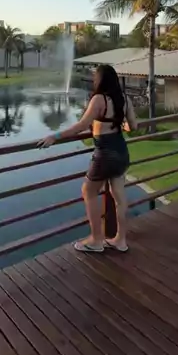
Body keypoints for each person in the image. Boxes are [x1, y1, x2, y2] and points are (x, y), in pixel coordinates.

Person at [39, 64, 137, 252]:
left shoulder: (99, 99)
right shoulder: (124, 99)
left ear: (99, 80)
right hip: (121, 151)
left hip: (105, 153)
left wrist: (55, 136)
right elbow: (133, 126)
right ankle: (120, 240)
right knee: (119, 197)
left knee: (88, 192)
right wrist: (120, 125)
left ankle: (96, 240)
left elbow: (81, 125)